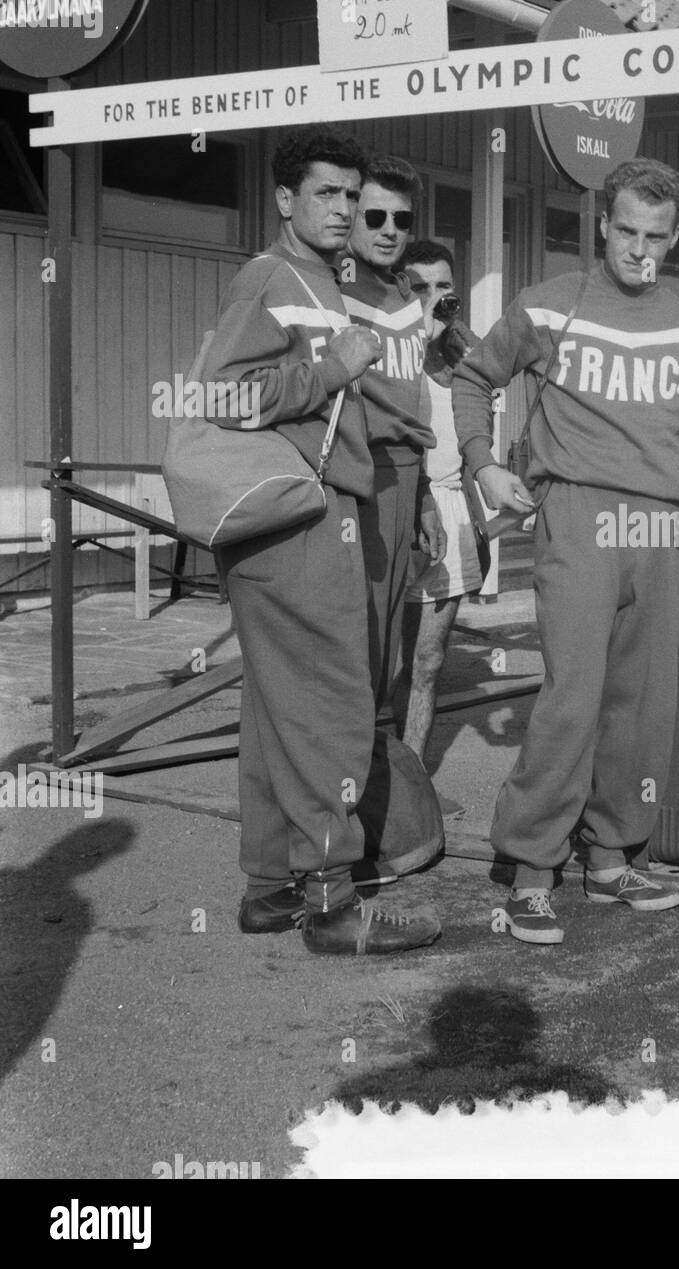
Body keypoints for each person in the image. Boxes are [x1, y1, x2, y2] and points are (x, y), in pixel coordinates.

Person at [453, 157, 679, 944]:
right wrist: (485, 463)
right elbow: (473, 379)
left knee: (643, 703)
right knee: (573, 693)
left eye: (657, 237)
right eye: (627, 231)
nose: (640, 249)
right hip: (575, 511)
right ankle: (531, 866)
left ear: (676, 240)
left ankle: (612, 854)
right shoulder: (548, 306)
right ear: (603, 224)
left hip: (663, 526)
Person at [204, 124, 441, 956]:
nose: (344, 210)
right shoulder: (269, 277)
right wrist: (334, 369)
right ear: (284, 201)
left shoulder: (320, 278)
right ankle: (336, 902)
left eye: (351, 194)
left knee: (279, 711)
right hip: (296, 521)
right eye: (326, 195)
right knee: (333, 702)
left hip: (307, 512)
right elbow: (223, 398)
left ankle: (270, 888)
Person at [341, 157, 444, 711]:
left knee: (386, 650)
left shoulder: (405, 295)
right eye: (375, 215)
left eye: (401, 220)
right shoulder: (333, 287)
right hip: (359, 479)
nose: (388, 230)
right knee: (354, 642)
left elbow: (415, 400)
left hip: (405, 478)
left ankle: (373, 773)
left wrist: (424, 492)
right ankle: (341, 785)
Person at [394, 240, 485, 764]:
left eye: (444, 286)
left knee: (427, 663)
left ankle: (411, 781)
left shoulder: (466, 355)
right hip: (398, 508)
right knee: (383, 661)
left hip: (450, 514)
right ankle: (367, 783)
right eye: (421, 287)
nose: (435, 297)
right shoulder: (395, 352)